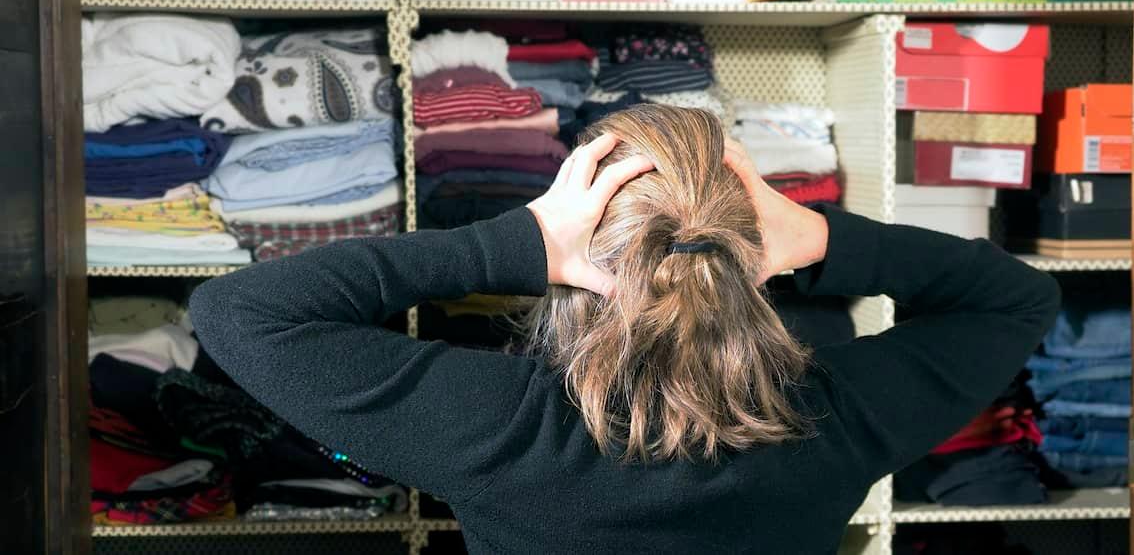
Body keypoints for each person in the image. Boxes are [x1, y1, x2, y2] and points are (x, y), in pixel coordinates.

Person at [190, 105, 1060, 554]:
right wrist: (820, 236)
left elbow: (239, 312)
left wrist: (516, 244)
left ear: (582, 247)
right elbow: (1015, 300)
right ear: (750, 247)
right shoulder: (835, 417)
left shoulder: (498, 425)